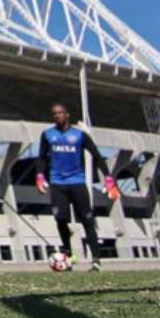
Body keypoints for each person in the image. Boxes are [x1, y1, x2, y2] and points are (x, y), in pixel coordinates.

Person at [36, 102, 118, 272]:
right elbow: (41, 157)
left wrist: (109, 179)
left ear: (67, 114)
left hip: (77, 182)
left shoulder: (80, 135)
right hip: (57, 183)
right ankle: (67, 254)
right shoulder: (47, 135)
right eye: (54, 114)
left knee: (87, 220)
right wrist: (39, 175)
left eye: (60, 113)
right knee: (60, 219)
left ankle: (95, 259)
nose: (57, 116)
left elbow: (97, 156)